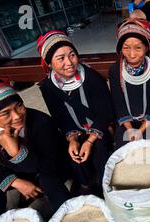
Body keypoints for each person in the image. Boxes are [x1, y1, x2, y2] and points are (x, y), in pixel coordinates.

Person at [0, 79, 71, 222]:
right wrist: (17, 183)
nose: (17, 116)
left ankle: (70, 221)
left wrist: (17, 152)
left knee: (50, 182)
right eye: (5, 113)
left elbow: (50, 164)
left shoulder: (41, 122)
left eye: (19, 106)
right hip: (16, 173)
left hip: (47, 168)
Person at [37, 31, 114, 196]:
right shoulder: (48, 87)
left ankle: (106, 189)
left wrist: (90, 140)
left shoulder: (92, 77)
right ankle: (86, 186)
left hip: (99, 129)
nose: (69, 62)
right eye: (60, 58)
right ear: (49, 63)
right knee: (73, 154)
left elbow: (105, 112)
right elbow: (60, 117)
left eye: (72, 55)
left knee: (99, 150)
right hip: (76, 131)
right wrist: (72, 139)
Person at [109, 18, 150, 149]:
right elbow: (118, 103)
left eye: (138, 48)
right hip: (126, 124)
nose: (132, 54)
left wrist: (140, 130)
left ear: (147, 47)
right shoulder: (115, 70)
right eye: (126, 48)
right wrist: (130, 130)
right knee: (123, 151)